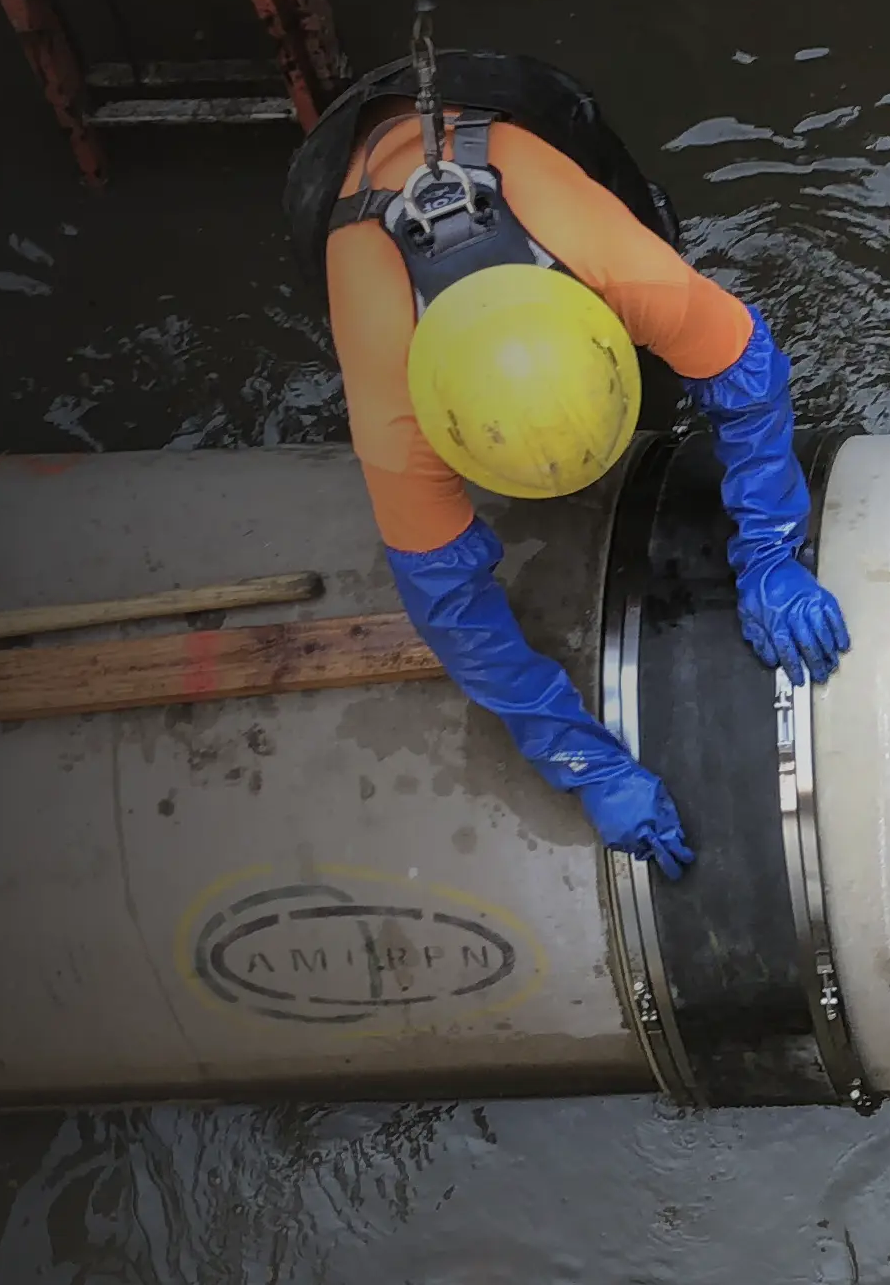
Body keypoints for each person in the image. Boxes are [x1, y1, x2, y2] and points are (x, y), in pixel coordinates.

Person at [288, 51, 848, 880]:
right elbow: (449, 605)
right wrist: (584, 763)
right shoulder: (395, 396)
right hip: (342, 184)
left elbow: (747, 374)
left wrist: (770, 552)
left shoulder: (629, 276)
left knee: (657, 252)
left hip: (506, 111)